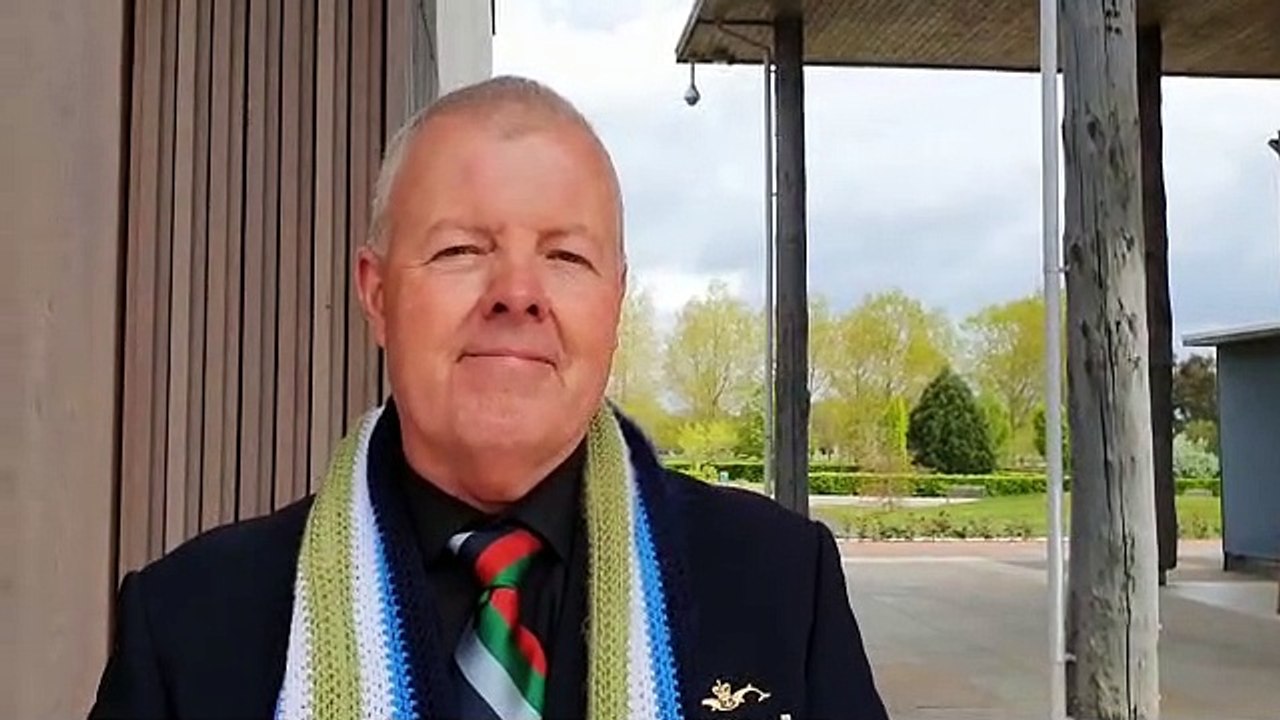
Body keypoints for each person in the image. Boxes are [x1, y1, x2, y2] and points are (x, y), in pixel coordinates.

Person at [89, 75, 888, 720]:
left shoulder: (781, 585)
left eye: (566, 257)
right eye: (462, 249)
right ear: (375, 294)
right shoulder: (189, 625)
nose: (517, 293)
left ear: (614, 298)